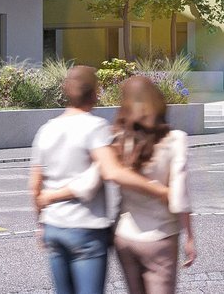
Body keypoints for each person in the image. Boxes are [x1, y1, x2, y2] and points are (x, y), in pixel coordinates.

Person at [30, 65, 170, 294]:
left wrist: (41, 223)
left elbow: (34, 186)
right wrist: (160, 191)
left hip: (54, 227)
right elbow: (112, 172)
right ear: (94, 94)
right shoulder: (95, 127)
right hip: (85, 229)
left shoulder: (46, 130)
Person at [106, 75, 195, 294]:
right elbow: (180, 196)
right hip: (160, 235)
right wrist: (190, 237)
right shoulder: (175, 139)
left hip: (125, 235)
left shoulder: (120, 139)